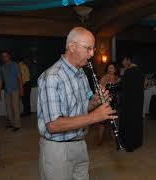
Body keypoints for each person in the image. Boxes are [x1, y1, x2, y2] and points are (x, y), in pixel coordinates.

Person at [37, 26, 117, 180]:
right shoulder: (52, 77)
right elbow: (53, 125)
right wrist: (95, 117)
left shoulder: (81, 74)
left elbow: (82, 109)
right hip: (58, 149)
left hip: (80, 143)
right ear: (72, 47)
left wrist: (94, 102)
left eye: (93, 49)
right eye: (88, 48)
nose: (92, 54)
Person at [118, 56, 144, 152]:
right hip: (138, 101)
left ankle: (128, 145)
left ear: (129, 61)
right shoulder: (141, 73)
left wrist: (121, 75)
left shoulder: (127, 72)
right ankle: (137, 142)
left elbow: (122, 86)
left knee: (128, 122)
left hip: (128, 101)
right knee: (136, 121)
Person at [0, 50, 23, 132]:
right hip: (7, 91)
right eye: (3, 56)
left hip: (15, 89)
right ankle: (12, 123)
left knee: (15, 107)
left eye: (6, 56)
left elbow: (19, 78)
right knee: (8, 109)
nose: (4, 58)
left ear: (9, 56)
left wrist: (21, 90)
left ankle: (17, 125)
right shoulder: (1, 68)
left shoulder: (14, 65)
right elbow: (0, 80)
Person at [97, 63, 119, 145]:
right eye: (109, 68)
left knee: (114, 120)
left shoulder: (117, 78)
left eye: (112, 68)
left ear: (115, 70)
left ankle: (115, 138)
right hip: (105, 102)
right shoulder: (104, 77)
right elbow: (99, 90)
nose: (110, 69)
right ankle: (99, 140)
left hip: (115, 102)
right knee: (102, 122)